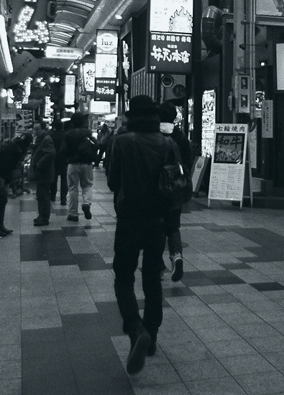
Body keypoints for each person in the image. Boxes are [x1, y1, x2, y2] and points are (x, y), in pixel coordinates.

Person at [106, 95, 179, 375]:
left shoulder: (121, 142)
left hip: (129, 219)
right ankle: (152, 336)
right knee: (152, 277)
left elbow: (113, 181)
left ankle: (136, 329)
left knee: (124, 276)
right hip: (158, 221)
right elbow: (175, 181)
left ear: (131, 116)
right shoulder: (167, 143)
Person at [159, 102, 192, 282]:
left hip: (157, 187)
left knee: (156, 227)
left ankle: (158, 265)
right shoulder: (179, 135)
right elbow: (187, 159)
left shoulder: (154, 134)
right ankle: (177, 255)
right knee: (173, 225)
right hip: (176, 187)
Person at [0, 134, 32, 238]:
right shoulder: (13, 150)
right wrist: (8, 179)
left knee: (1, 202)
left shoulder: (12, 147)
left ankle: (0, 226)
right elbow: (3, 167)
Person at [60, 112, 96, 222]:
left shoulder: (68, 134)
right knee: (87, 185)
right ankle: (86, 203)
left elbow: (63, 150)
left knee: (72, 188)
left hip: (73, 164)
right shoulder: (87, 132)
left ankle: (73, 214)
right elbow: (96, 145)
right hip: (87, 163)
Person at [30, 121, 56, 227]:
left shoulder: (46, 139)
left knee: (43, 195)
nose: (35, 131)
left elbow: (51, 153)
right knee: (40, 195)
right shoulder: (41, 139)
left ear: (43, 129)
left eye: (37, 129)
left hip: (44, 172)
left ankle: (44, 217)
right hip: (42, 173)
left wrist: (39, 164)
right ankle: (41, 215)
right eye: (34, 129)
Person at [49, 118, 68, 206]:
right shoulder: (66, 135)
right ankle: (63, 198)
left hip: (54, 158)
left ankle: (52, 195)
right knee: (64, 179)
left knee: (54, 178)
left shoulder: (51, 135)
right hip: (64, 158)